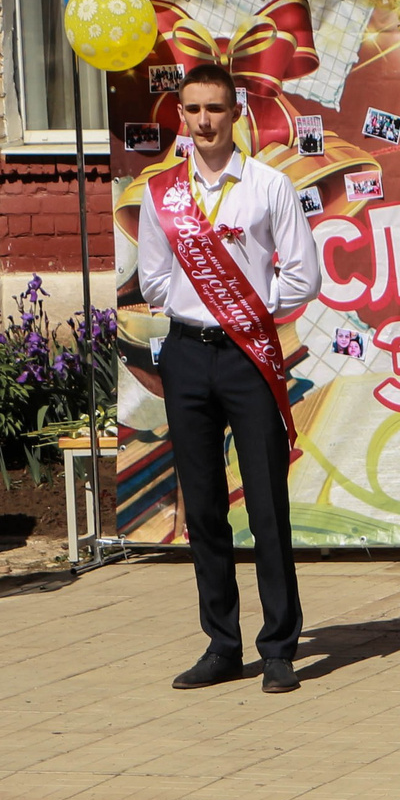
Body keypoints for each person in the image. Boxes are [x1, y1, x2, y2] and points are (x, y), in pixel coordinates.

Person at [133, 61, 324, 692]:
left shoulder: (268, 186)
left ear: (235, 112)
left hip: (249, 354)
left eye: (216, 108)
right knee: (204, 504)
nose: (205, 121)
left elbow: (302, 273)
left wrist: (251, 313)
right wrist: (201, 310)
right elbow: (155, 277)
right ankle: (221, 643)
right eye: (193, 110)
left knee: (266, 503)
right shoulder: (164, 193)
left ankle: (278, 648)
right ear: (181, 117)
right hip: (187, 355)